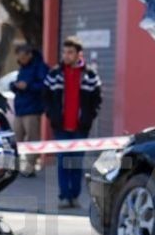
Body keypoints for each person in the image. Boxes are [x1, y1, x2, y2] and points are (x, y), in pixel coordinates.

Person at [45, 36, 102, 209]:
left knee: (76, 163)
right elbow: (45, 97)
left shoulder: (90, 75)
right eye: (64, 52)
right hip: (61, 127)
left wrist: (88, 118)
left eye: (70, 52)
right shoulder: (54, 74)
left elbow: (97, 100)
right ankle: (64, 196)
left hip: (80, 128)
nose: (66, 55)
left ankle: (74, 196)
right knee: (62, 162)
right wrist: (52, 115)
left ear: (79, 54)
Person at [9, 43, 49, 177]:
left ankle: (30, 167)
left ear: (29, 55)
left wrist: (28, 86)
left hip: (33, 109)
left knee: (32, 138)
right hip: (20, 108)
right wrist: (14, 86)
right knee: (17, 137)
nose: (19, 60)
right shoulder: (23, 68)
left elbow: (44, 86)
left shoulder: (40, 67)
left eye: (22, 57)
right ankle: (16, 166)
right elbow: (19, 84)